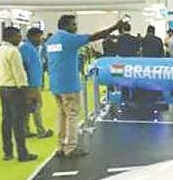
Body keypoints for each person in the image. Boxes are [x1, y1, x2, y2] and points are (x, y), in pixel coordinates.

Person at [47, 14, 120, 157]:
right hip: (68, 84)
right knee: (72, 115)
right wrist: (115, 27)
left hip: (55, 84)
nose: (76, 27)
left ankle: (60, 146)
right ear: (66, 26)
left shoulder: (51, 40)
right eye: (73, 24)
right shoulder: (69, 39)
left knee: (61, 115)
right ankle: (71, 148)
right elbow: (95, 36)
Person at [0, 26, 37, 162]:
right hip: (15, 89)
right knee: (19, 122)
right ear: (10, 37)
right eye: (18, 36)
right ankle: (22, 153)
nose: (20, 39)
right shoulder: (13, 51)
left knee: (6, 121)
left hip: (2, 87)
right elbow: (19, 74)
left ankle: (8, 152)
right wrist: (27, 93)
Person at [20, 27, 53, 139]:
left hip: (34, 82)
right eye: (38, 37)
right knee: (36, 106)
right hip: (31, 83)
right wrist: (28, 85)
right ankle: (41, 130)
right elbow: (24, 66)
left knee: (28, 107)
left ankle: (25, 130)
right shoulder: (27, 48)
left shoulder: (32, 48)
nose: (40, 39)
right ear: (31, 37)